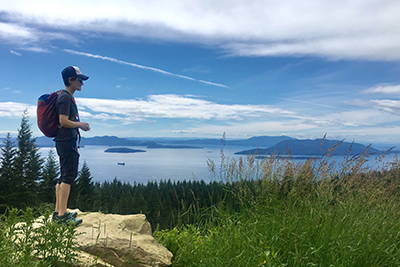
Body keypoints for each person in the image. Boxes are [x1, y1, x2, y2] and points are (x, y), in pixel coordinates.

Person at [52, 66, 91, 226]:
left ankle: (58, 212)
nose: (82, 83)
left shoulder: (62, 96)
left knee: (63, 176)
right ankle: (62, 216)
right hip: (67, 142)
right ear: (71, 80)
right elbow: (63, 121)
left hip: (62, 141)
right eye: (80, 79)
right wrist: (80, 125)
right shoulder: (66, 98)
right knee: (68, 177)